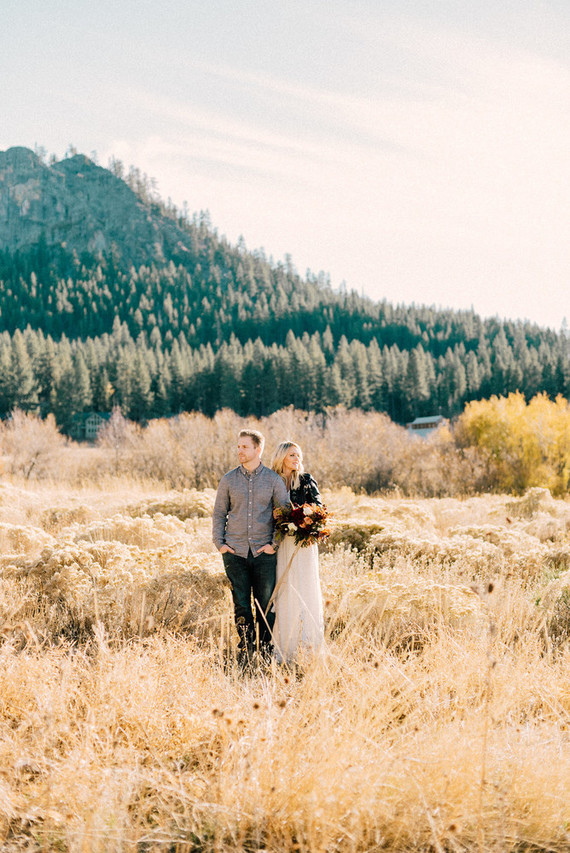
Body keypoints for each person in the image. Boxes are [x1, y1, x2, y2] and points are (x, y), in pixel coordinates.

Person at [213, 429, 289, 663]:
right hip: (234, 553)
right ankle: (246, 651)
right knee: (242, 605)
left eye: (244, 447)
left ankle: (265, 653)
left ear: (258, 449)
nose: (239, 451)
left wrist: (273, 545)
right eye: (238, 447)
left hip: (263, 553)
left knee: (264, 605)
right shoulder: (228, 479)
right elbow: (218, 513)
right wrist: (220, 544)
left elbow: (284, 515)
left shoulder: (273, 480)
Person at [270, 441, 325, 663]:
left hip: (303, 544)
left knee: (305, 588)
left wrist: (305, 520)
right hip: (280, 543)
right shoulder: (272, 480)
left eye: (299, 455)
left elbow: (320, 508)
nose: (296, 458)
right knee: (284, 590)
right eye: (292, 454)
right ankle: (283, 648)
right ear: (281, 456)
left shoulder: (305, 480)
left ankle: (309, 647)